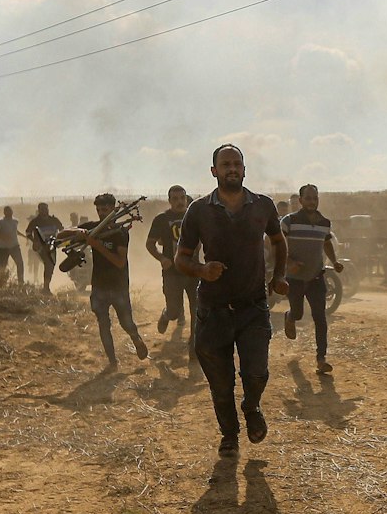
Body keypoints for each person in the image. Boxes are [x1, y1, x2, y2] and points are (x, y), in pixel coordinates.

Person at [177, 145, 287, 457]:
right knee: (221, 384)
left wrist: (279, 276)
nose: (232, 169)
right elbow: (181, 258)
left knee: (257, 372)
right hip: (213, 310)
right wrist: (202, 270)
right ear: (214, 171)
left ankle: (251, 406)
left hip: (253, 306)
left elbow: (278, 241)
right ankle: (229, 435)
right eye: (225, 164)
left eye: (237, 163)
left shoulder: (263, 205)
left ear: (244, 169)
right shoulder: (198, 210)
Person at [57, 193, 148, 372]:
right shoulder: (93, 228)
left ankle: (136, 339)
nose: (101, 213)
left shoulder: (120, 233)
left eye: (105, 209)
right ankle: (112, 362)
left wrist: (96, 245)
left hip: (118, 285)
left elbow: (120, 262)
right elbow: (61, 235)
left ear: (113, 209)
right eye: (98, 209)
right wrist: (78, 232)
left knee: (126, 322)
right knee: (103, 324)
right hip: (99, 285)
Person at [281, 184, 343, 375]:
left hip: (316, 276)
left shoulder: (324, 222)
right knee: (298, 313)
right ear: (300, 200)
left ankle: (321, 358)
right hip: (295, 278)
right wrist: (289, 262)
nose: (312, 202)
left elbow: (326, 243)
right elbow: (277, 244)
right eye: (308, 198)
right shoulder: (289, 221)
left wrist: (335, 261)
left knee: (320, 317)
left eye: (315, 198)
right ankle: (289, 317)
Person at [144, 185, 199, 354]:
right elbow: (150, 244)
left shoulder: (195, 216)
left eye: (182, 198)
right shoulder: (161, 219)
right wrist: (162, 258)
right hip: (172, 273)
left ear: (186, 198)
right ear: (169, 201)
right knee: (174, 311)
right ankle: (167, 314)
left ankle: (194, 346)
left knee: (197, 310)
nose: (179, 202)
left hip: (194, 271)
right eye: (175, 199)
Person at [25, 202, 63, 293]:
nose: (44, 211)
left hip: (52, 246)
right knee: (49, 264)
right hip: (41, 247)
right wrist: (34, 241)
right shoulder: (35, 221)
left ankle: (46, 286)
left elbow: (62, 230)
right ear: (39, 210)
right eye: (42, 209)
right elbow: (28, 233)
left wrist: (59, 239)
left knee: (51, 265)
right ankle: (46, 288)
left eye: (46, 209)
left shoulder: (54, 220)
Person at [0, 205, 24, 286]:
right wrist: (4, 237)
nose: (9, 213)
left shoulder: (15, 221)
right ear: (4, 212)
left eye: (10, 211)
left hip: (14, 246)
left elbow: (15, 231)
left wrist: (24, 236)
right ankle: (0, 282)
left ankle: (21, 282)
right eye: (7, 211)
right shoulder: (0, 222)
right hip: (3, 247)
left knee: (20, 263)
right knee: (2, 266)